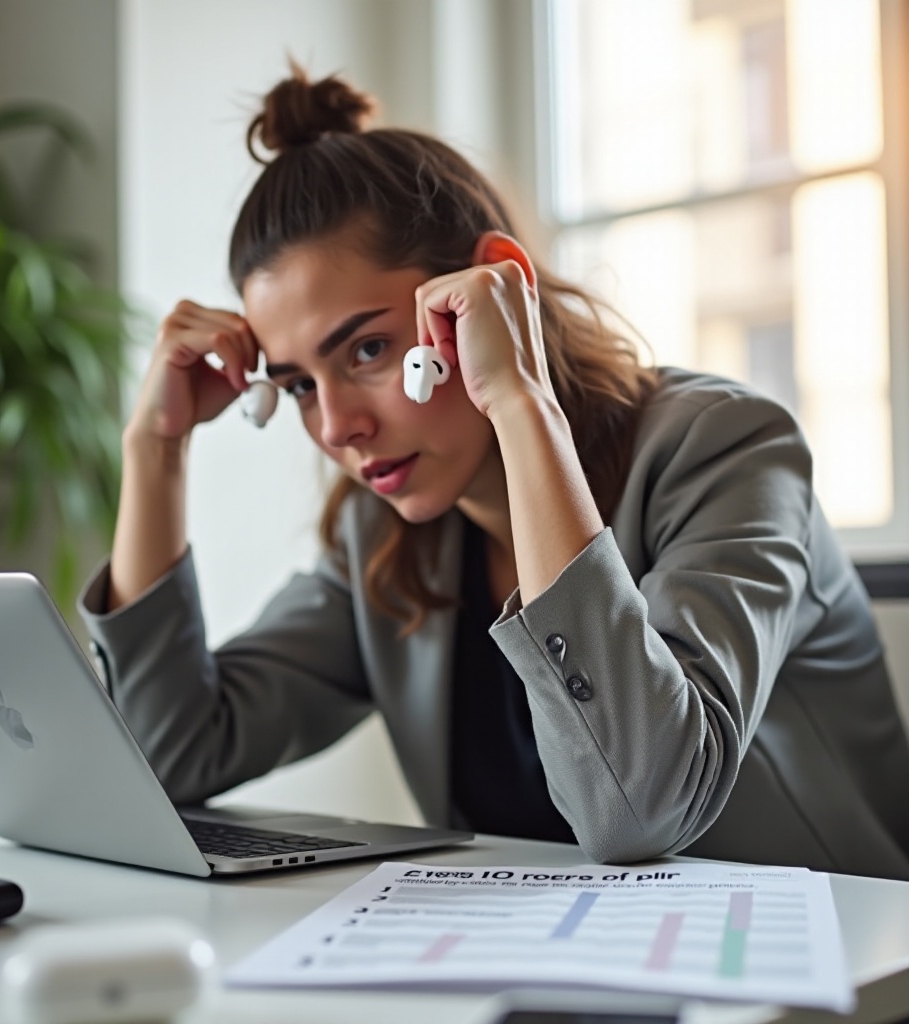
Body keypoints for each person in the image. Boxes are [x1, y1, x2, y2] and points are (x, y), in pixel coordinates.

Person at [79, 64, 909, 880]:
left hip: (828, 973)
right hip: (558, 967)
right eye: (298, 384)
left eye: (369, 349)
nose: (335, 428)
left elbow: (644, 806)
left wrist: (519, 401)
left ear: (491, 289)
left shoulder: (727, 449)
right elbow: (170, 755)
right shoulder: (390, 536)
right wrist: (155, 449)